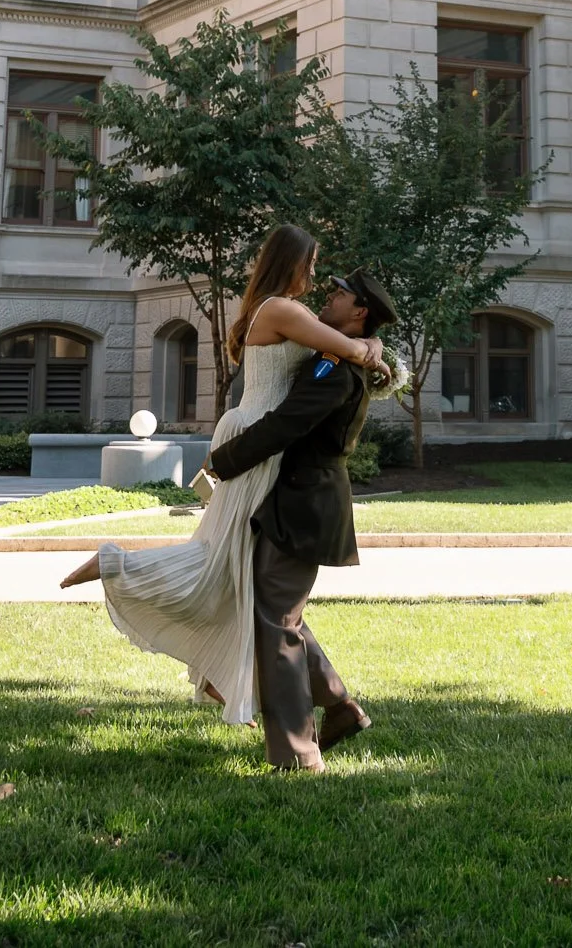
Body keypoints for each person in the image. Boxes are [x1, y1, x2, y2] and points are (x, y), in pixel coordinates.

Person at [57, 225, 385, 737]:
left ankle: (315, 700)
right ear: (292, 263)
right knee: (227, 568)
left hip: (255, 440)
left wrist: (370, 343)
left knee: (249, 583)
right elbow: (351, 350)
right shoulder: (285, 310)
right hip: (256, 444)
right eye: (314, 264)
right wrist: (373, 345)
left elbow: (348, 352)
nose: (319, 278)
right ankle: (120, 565)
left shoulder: (277, 309)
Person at [202, 264, 398, 771]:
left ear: (359, 312)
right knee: (278, 613)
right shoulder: (333, 359)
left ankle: (297, 752)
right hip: (296, 500)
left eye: (338, 295)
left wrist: (222, 461)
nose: (327, 299)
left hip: (306, 504)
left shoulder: (334, 372)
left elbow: (286, 424)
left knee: (277, 622)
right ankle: (338, 708)